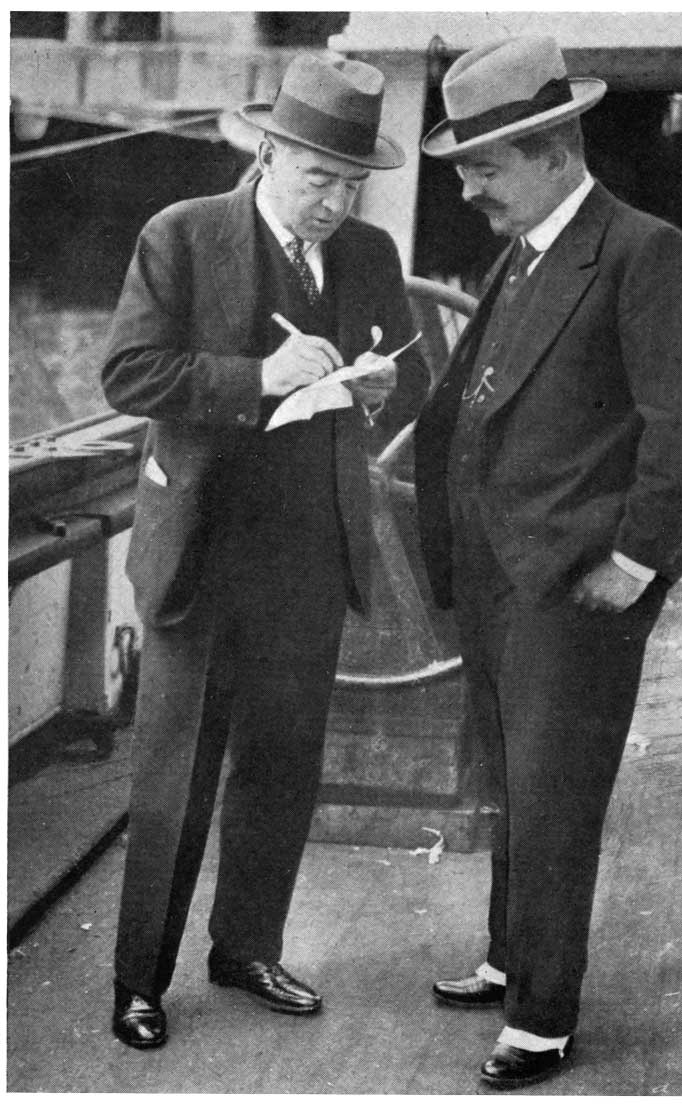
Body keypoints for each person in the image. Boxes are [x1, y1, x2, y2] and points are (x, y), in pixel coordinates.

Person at [414, 35, 682, 1089]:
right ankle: (513, 959)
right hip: (501, 576)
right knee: (519, 781)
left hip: (574, 584)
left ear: (553, 152)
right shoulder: (527, 250)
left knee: (554, 796)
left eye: (482, 167)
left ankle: (542, 1020)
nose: (467, 189)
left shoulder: (649, 254)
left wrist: (635, 561)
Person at [103, 52, 427, 1049]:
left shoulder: (368, 255)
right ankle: (137, 980)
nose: (335, 202)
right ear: (267, 150)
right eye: (318, 177)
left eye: (351, 184)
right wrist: (259, 375)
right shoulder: (182, 234)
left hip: (309, 554)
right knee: (176, 776)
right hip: (201, 549)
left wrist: (383, 390)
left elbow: (412, 378)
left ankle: (244, 948)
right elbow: (129, 374)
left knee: (281, 768)